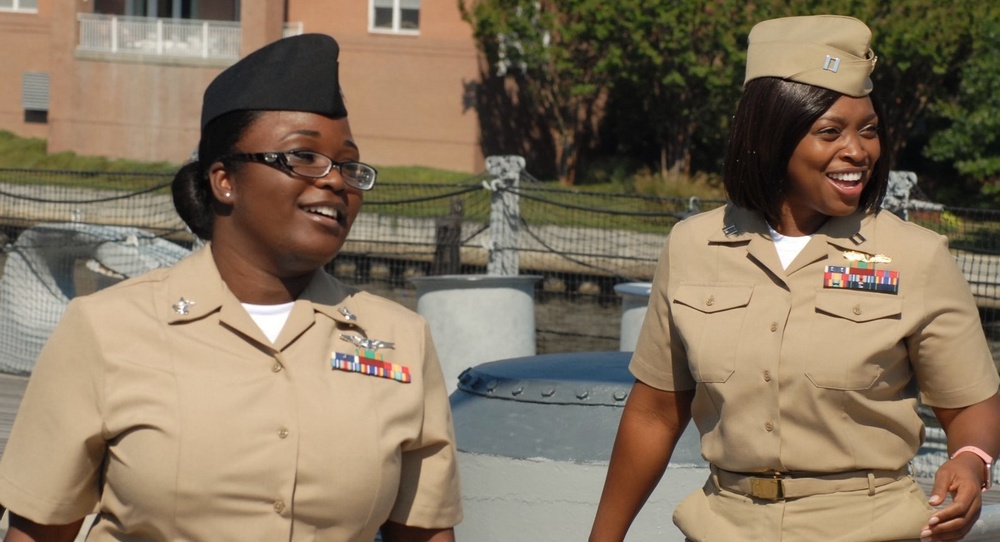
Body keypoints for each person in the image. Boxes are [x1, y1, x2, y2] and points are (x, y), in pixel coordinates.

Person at [0, 33, 462, 541]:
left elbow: (425, 533)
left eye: (347, 165)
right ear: (224, 179)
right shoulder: (107, 330)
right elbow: (38, 532)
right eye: (302, 157)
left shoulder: (401, 338)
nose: (335, 181)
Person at [590, 14, 1000, 542]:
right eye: (830, 132)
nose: (857, 151)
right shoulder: (692, 246)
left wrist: (970, 461)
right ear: (771, 135)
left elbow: (969, 402)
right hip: (723, 527)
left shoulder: (915, 256)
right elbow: (653, 415)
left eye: (869, 130)